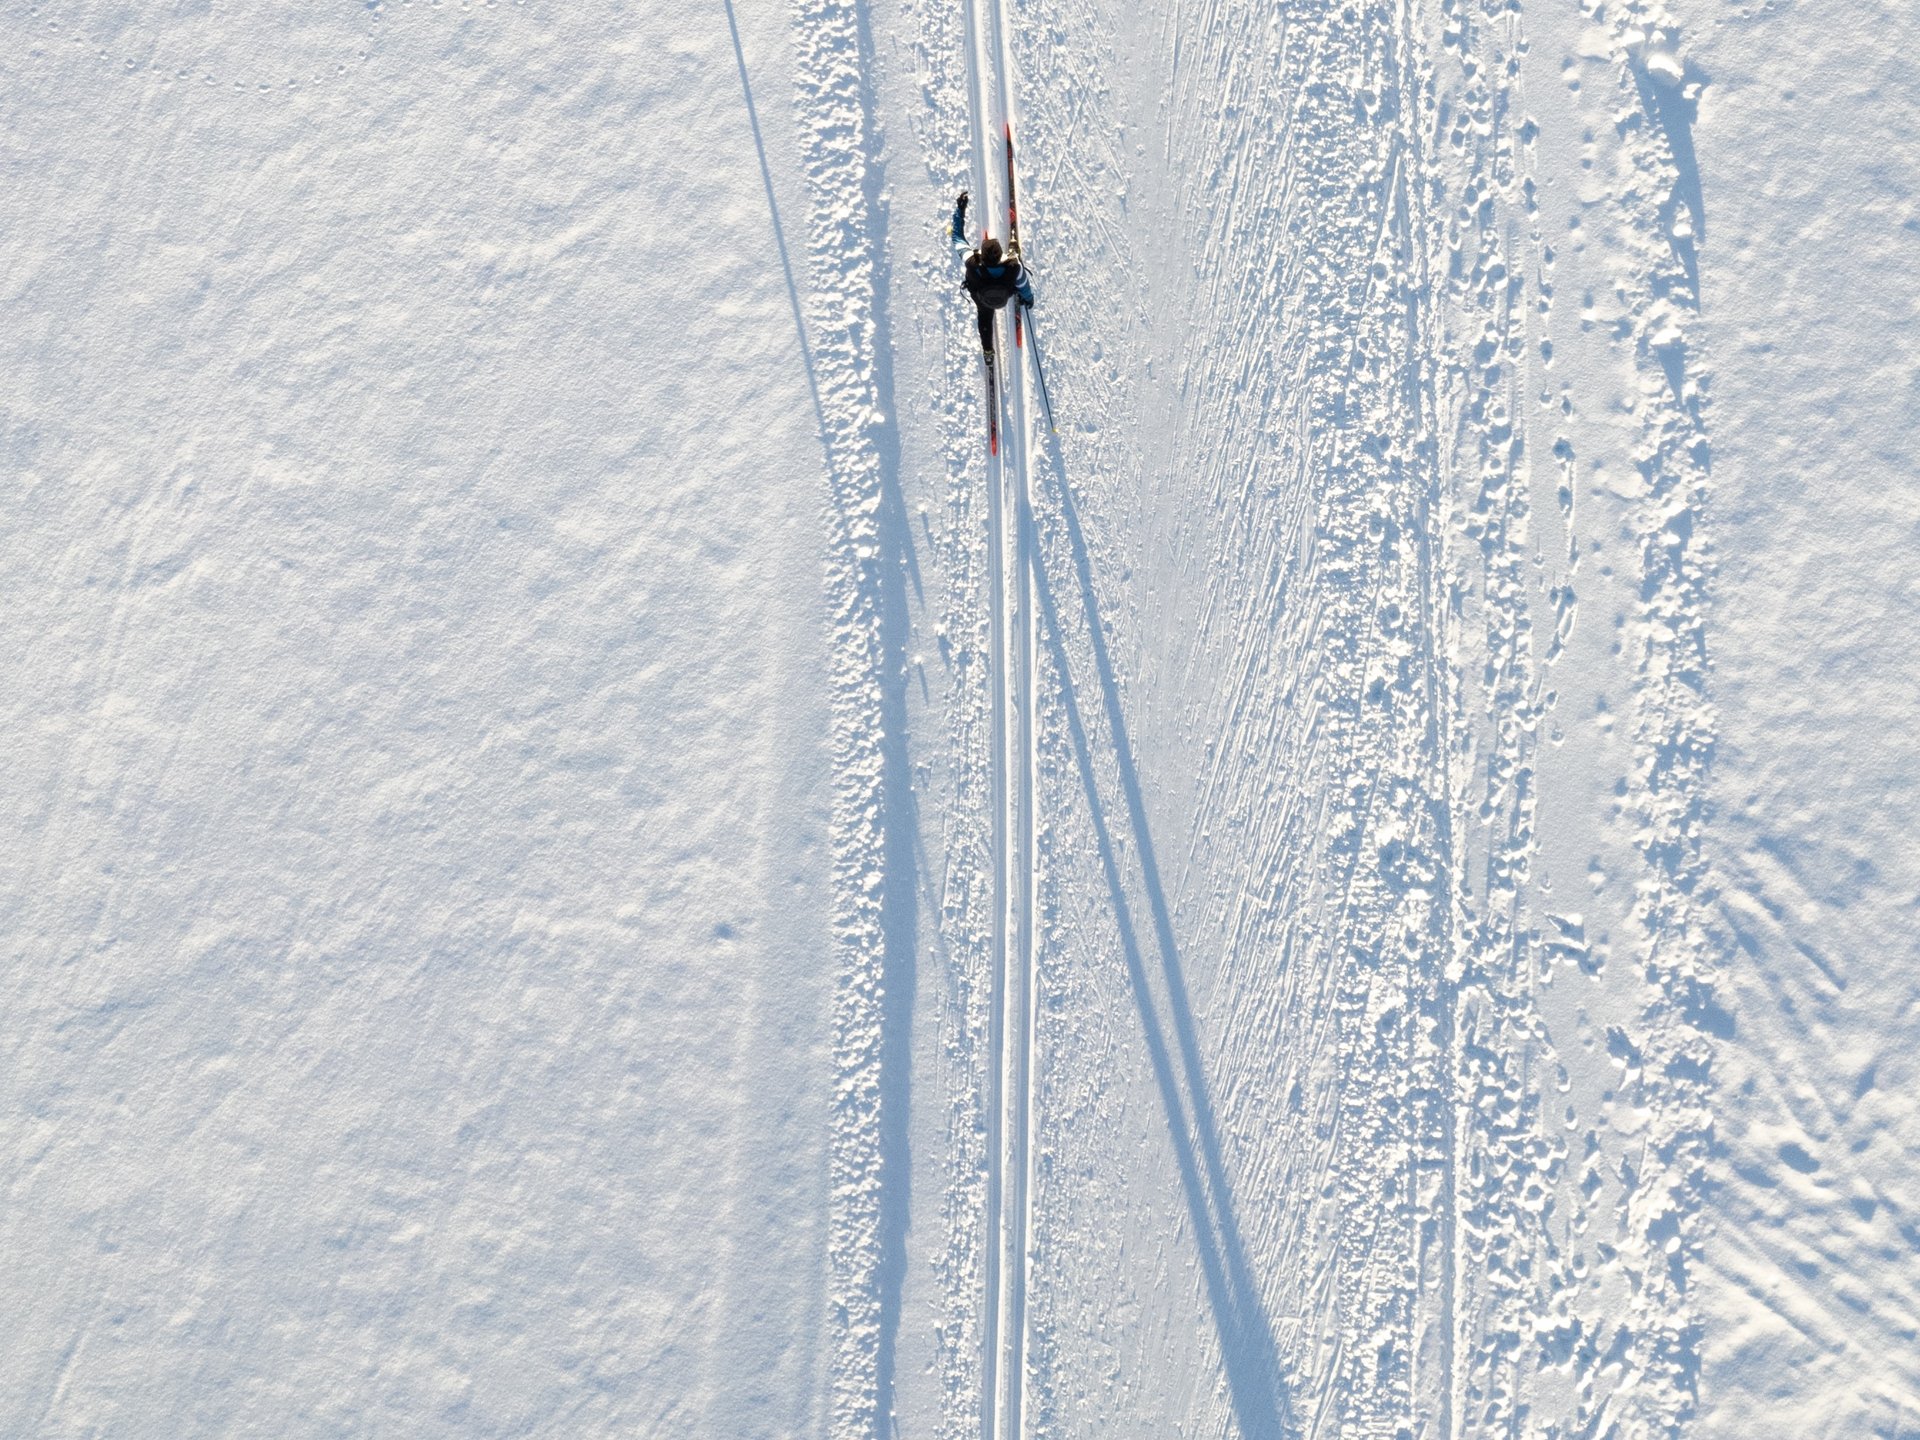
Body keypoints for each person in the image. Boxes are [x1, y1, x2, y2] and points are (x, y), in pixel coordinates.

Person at [951, 191, 1032, 357]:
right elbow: (1023, 285)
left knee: (984, 318)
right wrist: (1028, 299)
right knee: (1014, 262)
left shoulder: (971, 262)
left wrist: (960, 210)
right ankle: (1013, 250)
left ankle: (987, 350)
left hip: (982, 300)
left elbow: (957, 238)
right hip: (1004, 296)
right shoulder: (1013, 267)